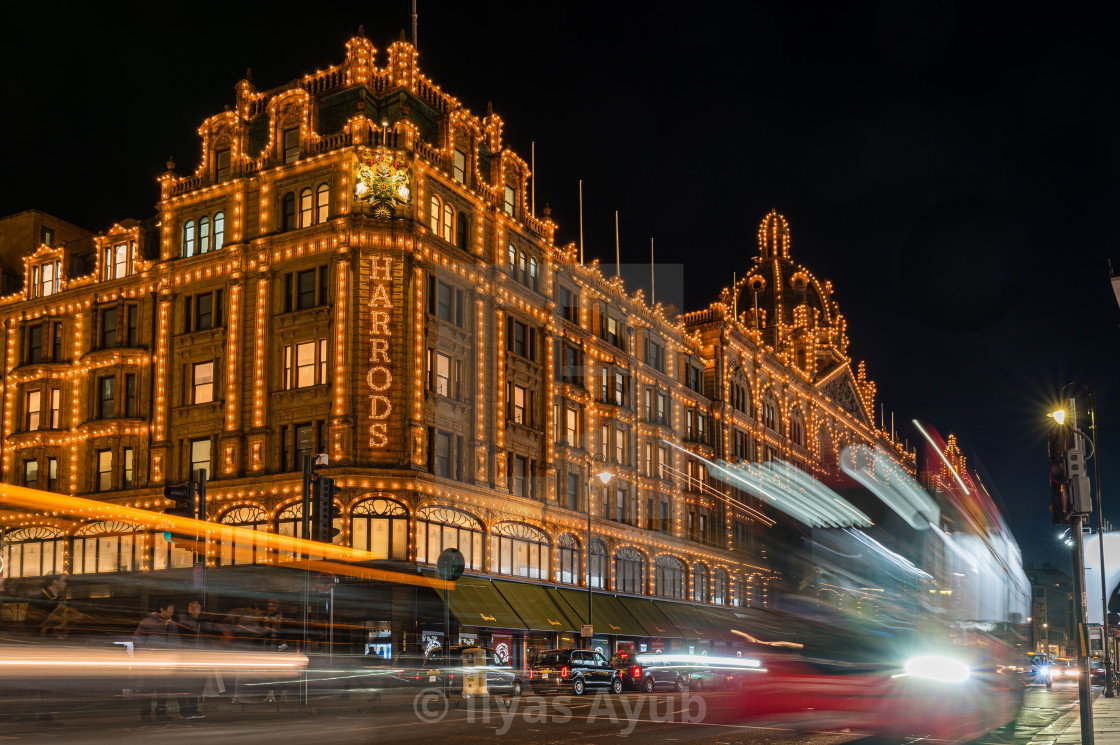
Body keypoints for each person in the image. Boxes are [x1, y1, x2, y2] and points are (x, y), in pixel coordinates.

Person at [22, 575, 69, 726]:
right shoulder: (41, 599)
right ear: (55, 582)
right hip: (40, 647)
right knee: (44, 683)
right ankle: (42, 715)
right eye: (64, 580)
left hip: (49, 646)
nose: (65, 584)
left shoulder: (57, 599)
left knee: (40, 683)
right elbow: (31, 625)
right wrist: (51, 629)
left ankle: (30, 713)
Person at [134, 600, 179, 722]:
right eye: (170, 609)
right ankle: (145, 714)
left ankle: (161, 712)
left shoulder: (171, 624)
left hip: (165, 662)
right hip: (151, 662)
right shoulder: (147, 622)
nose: (172, 612)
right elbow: (137, 640)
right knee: (148, 688)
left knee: (163, 688)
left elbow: (175, 642)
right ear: (162, 610)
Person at [173, 600, 206, 719]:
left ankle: (193, 708)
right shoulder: (183, 622)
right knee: (184, 685)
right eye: (191, 605)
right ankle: (184, 710)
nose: (194, 608)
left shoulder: (201, 623)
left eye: (196, 606)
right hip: (185, 658)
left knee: (197, 685)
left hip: (199, 659)